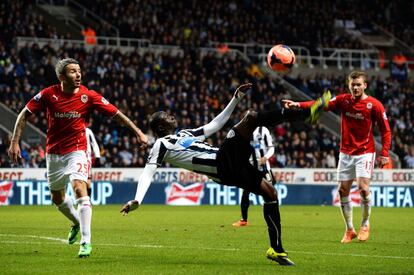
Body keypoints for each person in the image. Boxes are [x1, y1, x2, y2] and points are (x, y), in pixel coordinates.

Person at [120, 83, 331, 266]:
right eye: (166, 116)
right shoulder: (161, 144)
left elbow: (214, 125)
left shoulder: (184, 134)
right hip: (222, 163)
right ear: (159, 126)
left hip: (232, 167)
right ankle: (307, 113)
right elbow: (148, 172)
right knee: (250, 118)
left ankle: (276, 249)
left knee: (271, 193)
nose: (171, 116)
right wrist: (137, 199)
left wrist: (235, 99)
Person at [8, 58, 148, 257]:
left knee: (79, 187)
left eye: (79, 71)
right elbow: (24, 113)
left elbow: (116, 113)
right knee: (58, 198)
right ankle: (75, 222)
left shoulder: (88, 96)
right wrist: (15, 142)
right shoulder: (48, 94)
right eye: (73, 71)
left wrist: (138, 132)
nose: (78, 75)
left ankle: (86, 241)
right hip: (54, 154)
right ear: (61, 76)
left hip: (78, 150)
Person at [283, 71, 391, 244]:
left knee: (363, 188)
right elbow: (320, 104)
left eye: (358, 84)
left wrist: (384, 153)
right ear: (349, 85)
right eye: (353, 84)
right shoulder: (343, 100)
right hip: (346, 153)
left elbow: (386, 130)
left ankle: (365, 224)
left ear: (365, 86)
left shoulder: (375, 105)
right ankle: (349, 229)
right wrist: (298, 104)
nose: (355, 87)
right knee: (342, 191)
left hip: (365, 152)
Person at [232, 126, 275, 227]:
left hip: (264, 167)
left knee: (271, 193)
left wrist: (266, 157)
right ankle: (243, 220)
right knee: (245, 192)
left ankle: (273, 219)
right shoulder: (243, 131)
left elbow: (271, 148)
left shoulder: (263, 130)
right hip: (250, 168)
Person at [85, 127, 101, 198]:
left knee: (88, 182)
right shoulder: (72, 129)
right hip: (75, 157)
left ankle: (88, 200)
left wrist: (97, 156)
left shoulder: (88, 131)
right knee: (79, 181)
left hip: (86, 157)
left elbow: (94, 143)